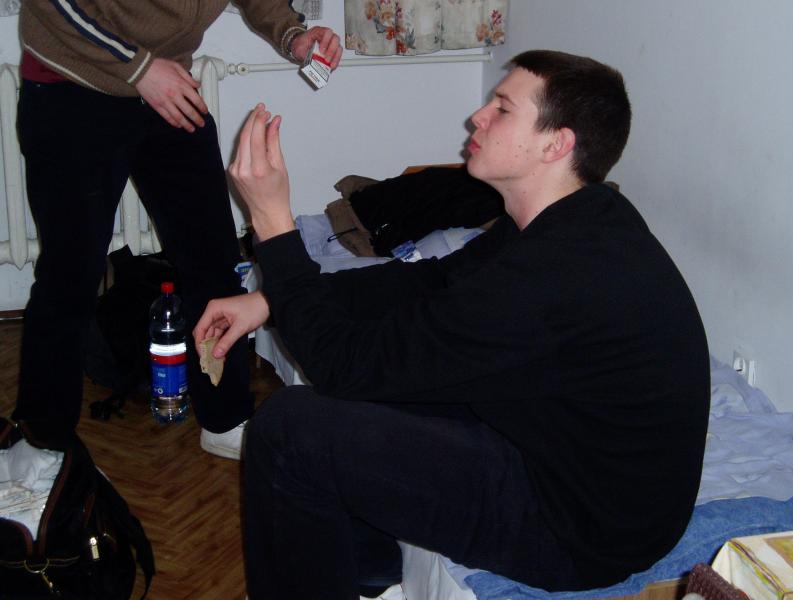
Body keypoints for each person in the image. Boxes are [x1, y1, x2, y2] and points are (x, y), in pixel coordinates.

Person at [195, 50, 710, 598]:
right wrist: (269, 300)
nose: (478, 117)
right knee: (379, 390)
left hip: (578, 530)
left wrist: (273, 225)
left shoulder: (552, 275)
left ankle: (350, 570)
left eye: (502, 109)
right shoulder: (573, 216)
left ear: (556, 144)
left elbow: (339, 365)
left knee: (289, 430)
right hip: (559, 451)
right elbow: (430, 282)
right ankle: (366, 568)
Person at [12, 0, 342, 458]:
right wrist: (140, 69)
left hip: (166, 84)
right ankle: (42, 444)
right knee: (70, 275)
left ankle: (225, 418)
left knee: (214, 262)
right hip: (74, 83)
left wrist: (293, 34)